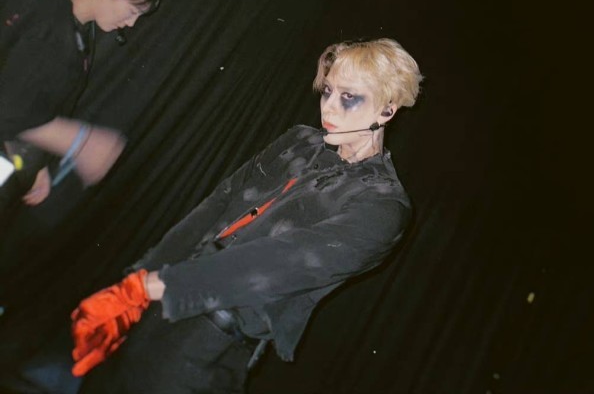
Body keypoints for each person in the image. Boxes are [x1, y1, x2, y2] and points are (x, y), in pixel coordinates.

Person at [71, 38, 423, 394]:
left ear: (387, 110)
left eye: (348, 97)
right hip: (159, 303)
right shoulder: (299, 141)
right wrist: (134, 287)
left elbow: (273, 265)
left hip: (205, 345)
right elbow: (215, 206)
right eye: (328, 91)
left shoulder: (383, 206)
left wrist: (143, 288)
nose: (328, 107)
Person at [0, 0, 161, 222]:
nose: (132, 23)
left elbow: (43, 103)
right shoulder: (52, 25)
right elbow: (9, 110)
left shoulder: (79, 29)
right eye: (133, 10)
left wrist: (37, 165)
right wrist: (77, 141)